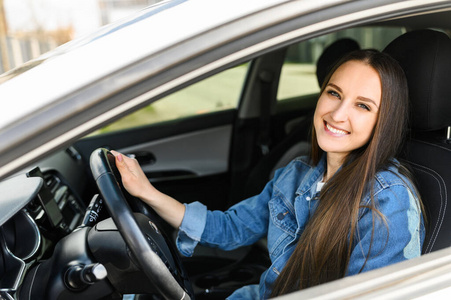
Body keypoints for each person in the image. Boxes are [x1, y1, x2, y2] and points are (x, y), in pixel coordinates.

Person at [112, 49, 425, 299]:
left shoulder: (388, 201)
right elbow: (230, 228)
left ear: (383, 122)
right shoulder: (296, 174)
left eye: (363, 106)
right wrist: (148, 193)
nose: (338, 114)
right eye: (334, 93)